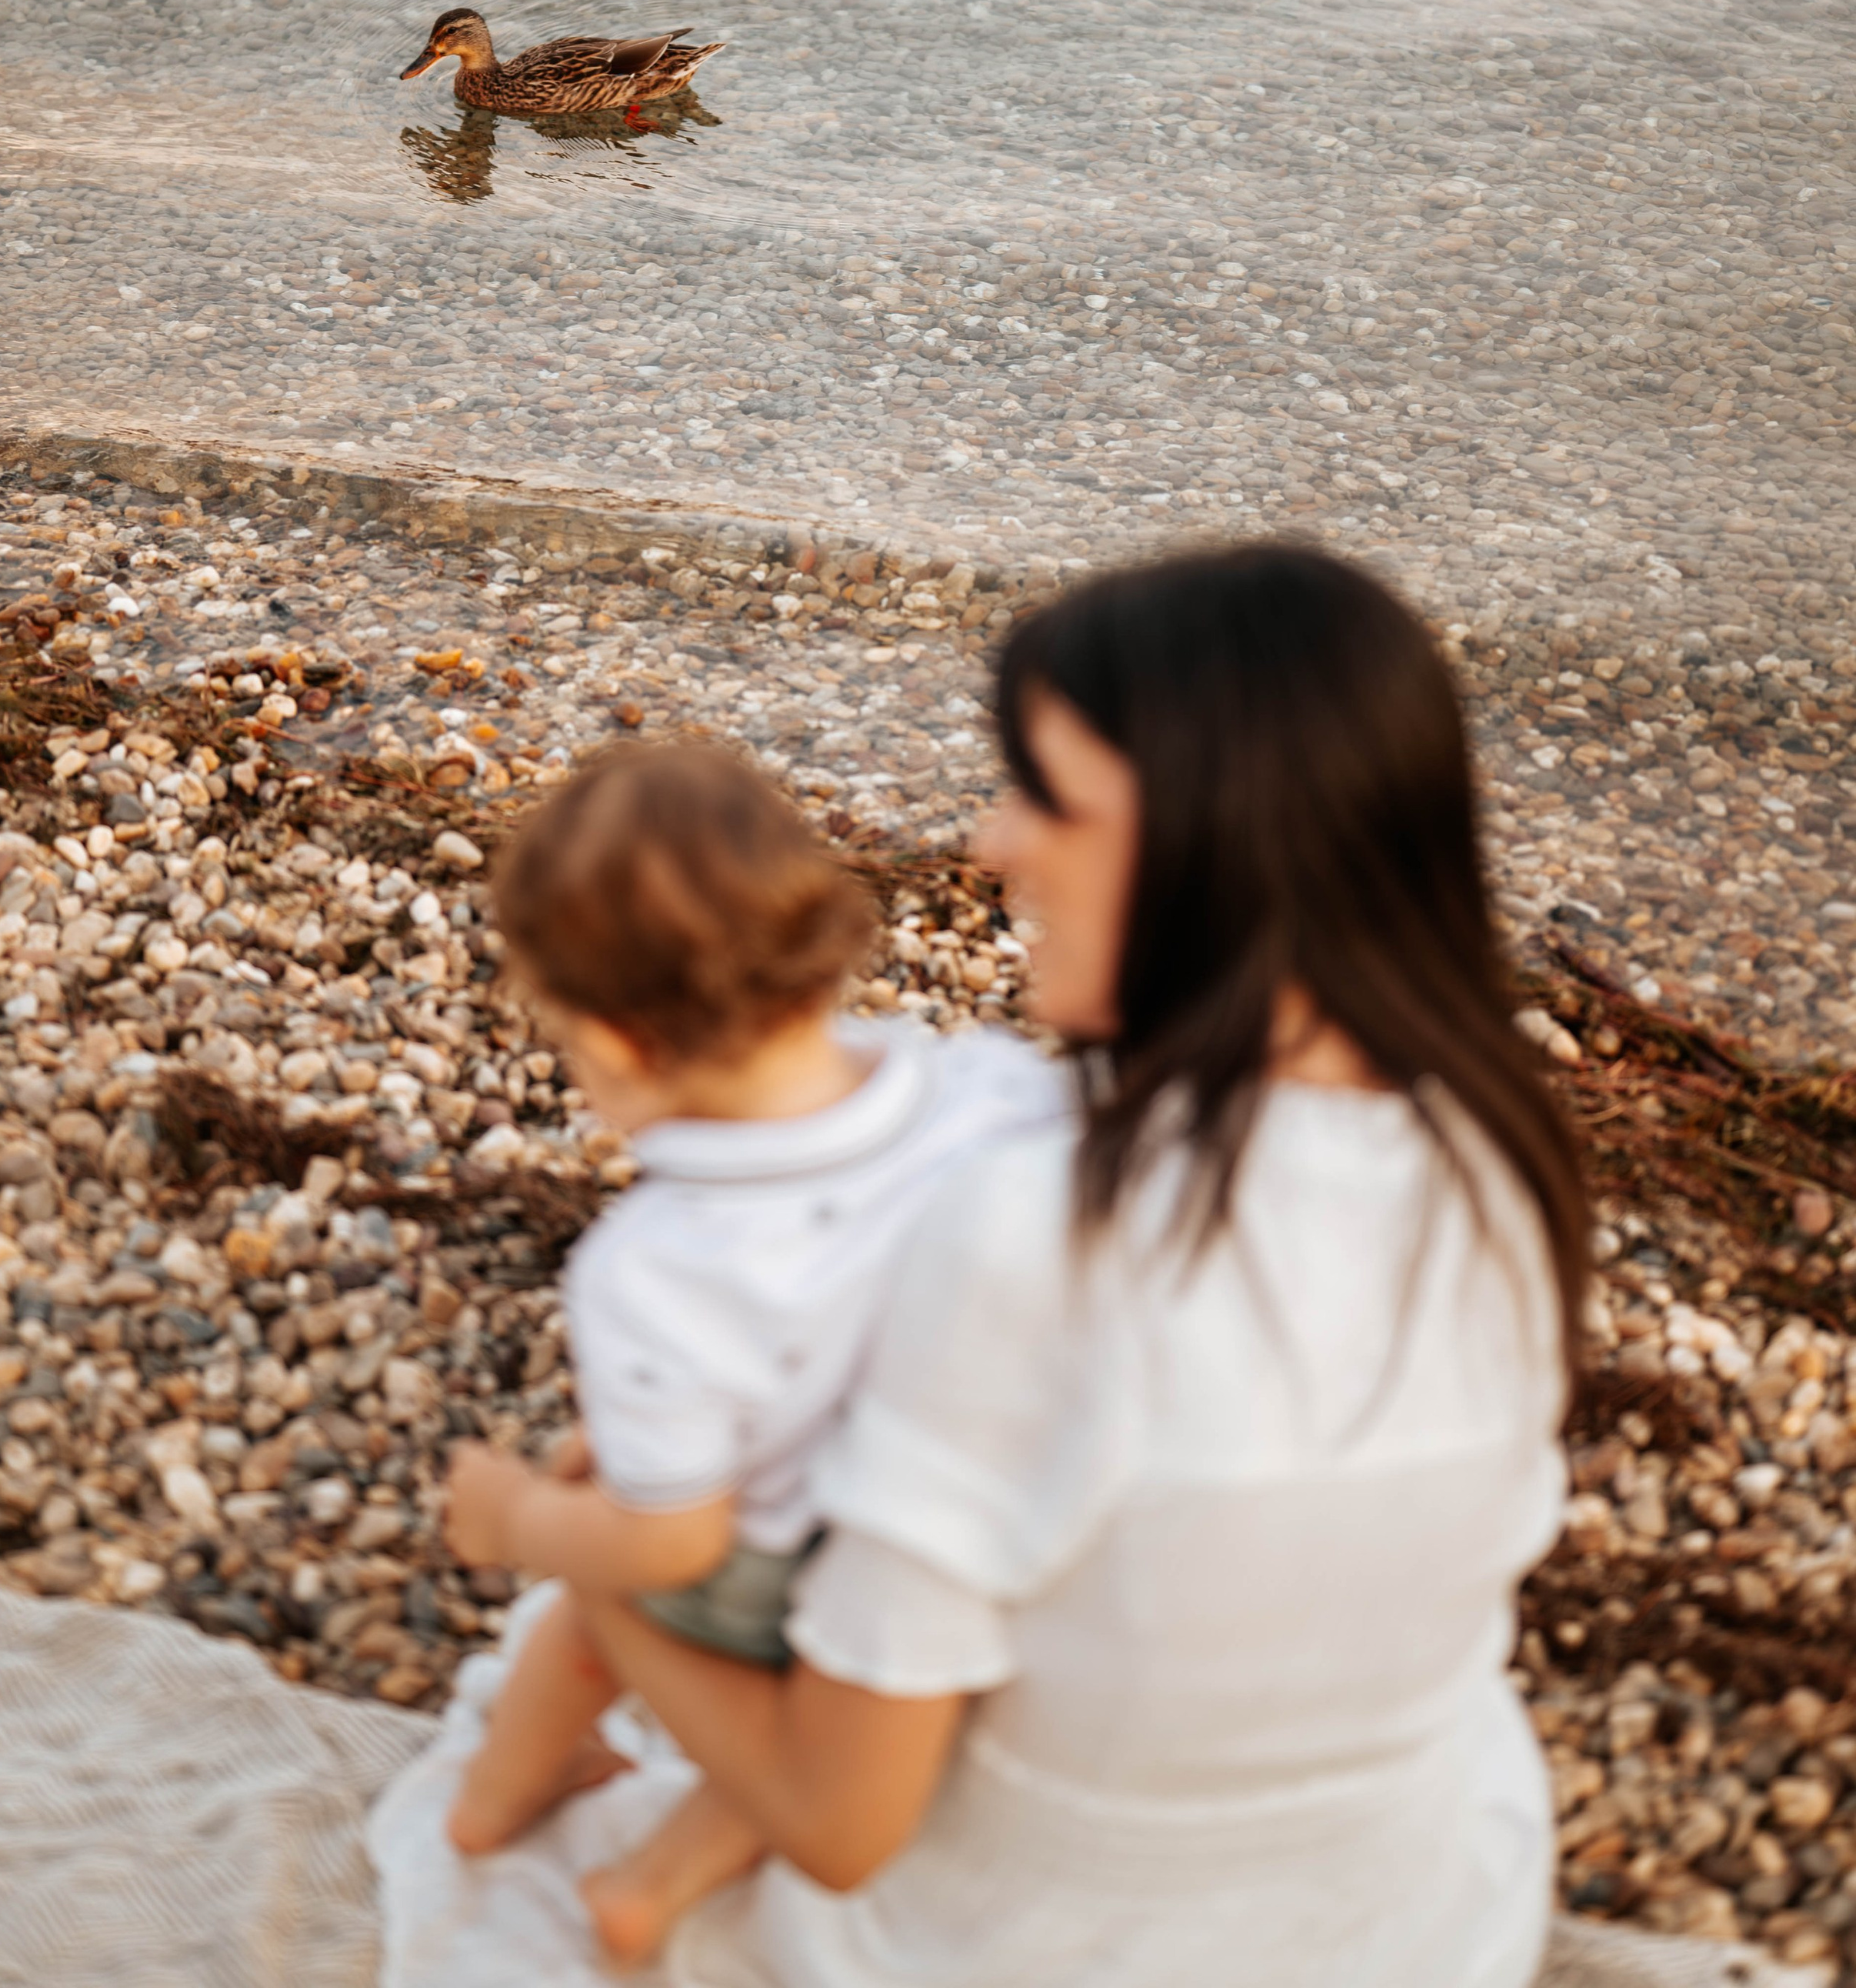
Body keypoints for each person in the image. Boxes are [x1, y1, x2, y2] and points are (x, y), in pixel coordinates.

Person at [372, 542, 1584, 1988]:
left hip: (1048, 1943)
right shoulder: (1494, 1144)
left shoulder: (1042, 1224)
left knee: (599, 1569)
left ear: (1220, 838)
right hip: (1418, 1916)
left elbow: (839, 1821)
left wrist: (580, 1560)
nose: (994, 844)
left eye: (1048, 799)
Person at [432, 739, 1065, 1963]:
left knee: (594, 1589)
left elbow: (678, 1538)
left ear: (613, 1043)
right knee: (835, 1715)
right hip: (964, 1514)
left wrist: (514, 1520)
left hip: (785, 1560)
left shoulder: (657, 1267)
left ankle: (494, 1798)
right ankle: (655, 1883)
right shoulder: (987, 1089)